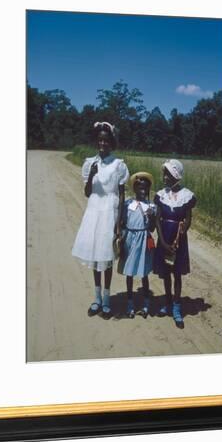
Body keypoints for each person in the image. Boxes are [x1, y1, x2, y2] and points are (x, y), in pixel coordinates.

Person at [72, 121, 129, 319]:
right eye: (100, 140)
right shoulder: (90, 163)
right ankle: (96, 298)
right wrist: (91, 176)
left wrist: (119, 221)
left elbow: (121, 195)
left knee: (107, 257)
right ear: (97, 142)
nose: (103, 143)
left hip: (109, 213)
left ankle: (107, 299)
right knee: (96, 257)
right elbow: (87, 192)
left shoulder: (118, 165)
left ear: (111, 142)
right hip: (94, 212)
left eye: (106, 140)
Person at [153, 159, 196, 328]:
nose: (164, 177)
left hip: (178, 240)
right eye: (164, 174)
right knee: (166, 272)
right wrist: (163, 242)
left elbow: (188, 219)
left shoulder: (187, 196)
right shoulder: (161, 195)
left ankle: (177, 307)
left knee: (176, 273)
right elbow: (157, 219)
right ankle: (168, 302)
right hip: (164, 235)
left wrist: (180, 235)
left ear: (176, 175)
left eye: (168, 174)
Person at [117, 172, 156, 319]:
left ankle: (146, 304)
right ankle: (130, 303)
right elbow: (122, 222)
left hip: (144, 239)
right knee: (130, 272)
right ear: (134, 188)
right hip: (130, 239)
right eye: (139, 187)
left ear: (148, 189)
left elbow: (152, 228)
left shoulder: (151, 206)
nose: (142, 190)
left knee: (144, 272)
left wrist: (151, 217)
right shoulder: (128, 204)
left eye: (145, 188)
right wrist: (120, 236)